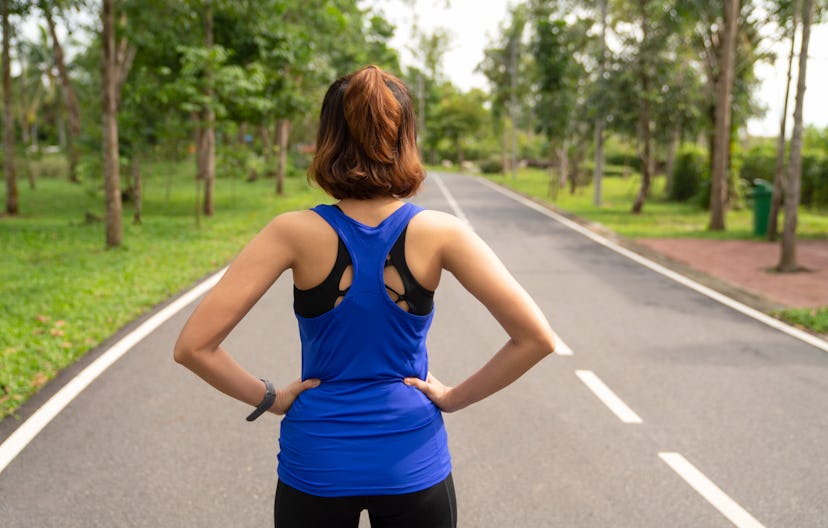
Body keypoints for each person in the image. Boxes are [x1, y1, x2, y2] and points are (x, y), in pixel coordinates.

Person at [173, 65, 556, 528]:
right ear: (405, 138)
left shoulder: (291, 232)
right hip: (412, 462)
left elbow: (194, 347)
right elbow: (536, 338)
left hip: (316, 465)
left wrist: (271, 398)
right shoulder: (440, 232)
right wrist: (452, 397)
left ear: (328, 139)